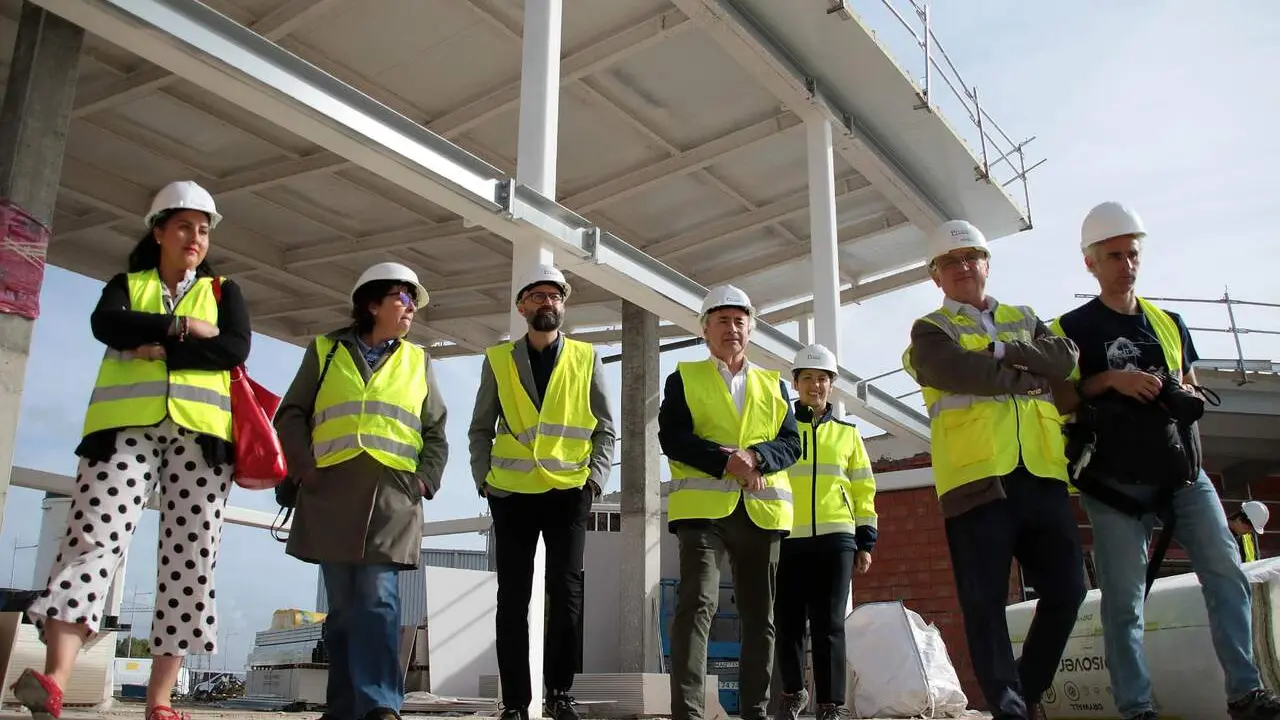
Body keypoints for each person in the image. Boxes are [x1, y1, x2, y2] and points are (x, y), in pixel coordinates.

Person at [12, 181, 250, 720]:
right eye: (185, 226)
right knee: (91, 541)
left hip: (202, 437)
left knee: (191, 559)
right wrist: (184, 327)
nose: (196, 238)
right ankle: (54, 680)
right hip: (122, 430)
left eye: (204, 230)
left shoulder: (225, 290)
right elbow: (106, 324)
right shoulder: (127, 282)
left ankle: (161, 700)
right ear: (159, 230)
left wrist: (152, 346)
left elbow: (233, 347)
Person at [1052, 201, 1280, 720]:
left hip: (1182, 475)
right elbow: (1059, 399)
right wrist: (1110, 380)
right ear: (1090, 263)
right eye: (1113, 255)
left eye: (1132, 254)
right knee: (1124, 603)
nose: (1125, 264)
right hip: (1113, 484)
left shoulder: (1168, 322)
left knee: (1226, 572)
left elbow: (1192, 384)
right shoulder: (1072, 326)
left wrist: (1182, 391)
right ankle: (1136, 709)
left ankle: (1246, 693)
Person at [901, 220, 1084, 719]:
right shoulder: (931, 329)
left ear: (986, 264)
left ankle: (1022, 687)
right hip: (978, 480)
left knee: (1070, 590)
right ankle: (1008, 707)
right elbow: (956, 370)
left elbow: (1065, 357)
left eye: (970, 258)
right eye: (949, 263)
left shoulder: (1023, 317)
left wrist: (1004, 351)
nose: (962, 268)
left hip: (1042, 472)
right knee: (984, 604)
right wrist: (1026, 378)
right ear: (935, 277)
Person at [274, 261, 449, 720]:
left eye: (414, 300)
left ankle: (379, 706)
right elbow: (291, 413)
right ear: (371, 303)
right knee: (345, 609)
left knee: (378, 596)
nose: (411, 307)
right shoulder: (325, 350)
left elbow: (436, 431)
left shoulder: (419, 360)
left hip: (393, 494)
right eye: (402, 297)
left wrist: (424, 479)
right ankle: (344, 708)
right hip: (330, 491)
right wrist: (305, 471)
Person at [468, 264, 616, 720]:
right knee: (512, 599)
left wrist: (595, 481)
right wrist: (483, 479)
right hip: (511, 494)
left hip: (569, 493)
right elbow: (480, 427)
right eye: (537, 296)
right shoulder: (497, 360)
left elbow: (606, 428)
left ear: (563, 306)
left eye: (554, 296)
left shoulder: (587, 358)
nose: (546, 303)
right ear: (521, 307)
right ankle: (515, 703)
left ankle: (559, 694)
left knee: (567, 595)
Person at [659, 284, 802, 720]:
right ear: (704, 329)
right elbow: (674, 438)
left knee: (761, 615)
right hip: (702, 513)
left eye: (740, 321)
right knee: (697, 604)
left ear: (751, 329)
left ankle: (754, 711)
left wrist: (757, 457)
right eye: (722, 320)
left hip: (762, 511)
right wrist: (728, 462)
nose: (732, 328)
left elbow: (791, 444)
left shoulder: (773, 385)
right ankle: (688, 712)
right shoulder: (683, 376)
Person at [773, 344, 876, 720]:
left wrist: (865, 541)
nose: (815, 386)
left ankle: (831, 704)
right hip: (787, 537)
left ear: (831, 385)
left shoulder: (849, 436)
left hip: (836, 539)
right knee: (787, 622)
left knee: (829, 624)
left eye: (822, 379)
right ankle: (792, 691)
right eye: (808, 379)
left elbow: (864, 490)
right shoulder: (779, 432)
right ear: (795, 383)